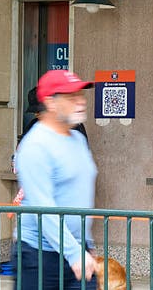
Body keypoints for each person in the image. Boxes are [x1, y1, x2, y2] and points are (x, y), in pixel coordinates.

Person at [15, 70, 99, 289]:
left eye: (80, 95)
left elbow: (79, 196)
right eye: (71, 96)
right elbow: (43, 209)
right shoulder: (35, 145)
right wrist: (74, 253)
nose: (81, 101)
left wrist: (86, 244)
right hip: (40, 257)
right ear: (50, 103)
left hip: (77, 250)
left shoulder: (78, 140)